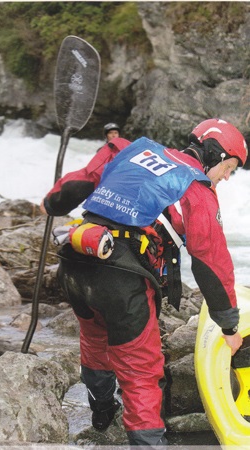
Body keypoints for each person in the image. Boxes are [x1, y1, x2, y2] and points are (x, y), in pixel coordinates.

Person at [40, 118, 247, 447]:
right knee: (141, 372)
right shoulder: (196, 189)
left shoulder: (132, 148)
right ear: (217, 156)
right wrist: (229, 326)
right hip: (122, 277)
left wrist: (52, 203)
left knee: (96, 339)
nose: (227, 177)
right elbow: (212, 262)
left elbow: (72, 188)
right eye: (231, 168)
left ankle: (102, 411)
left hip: (75, 261)